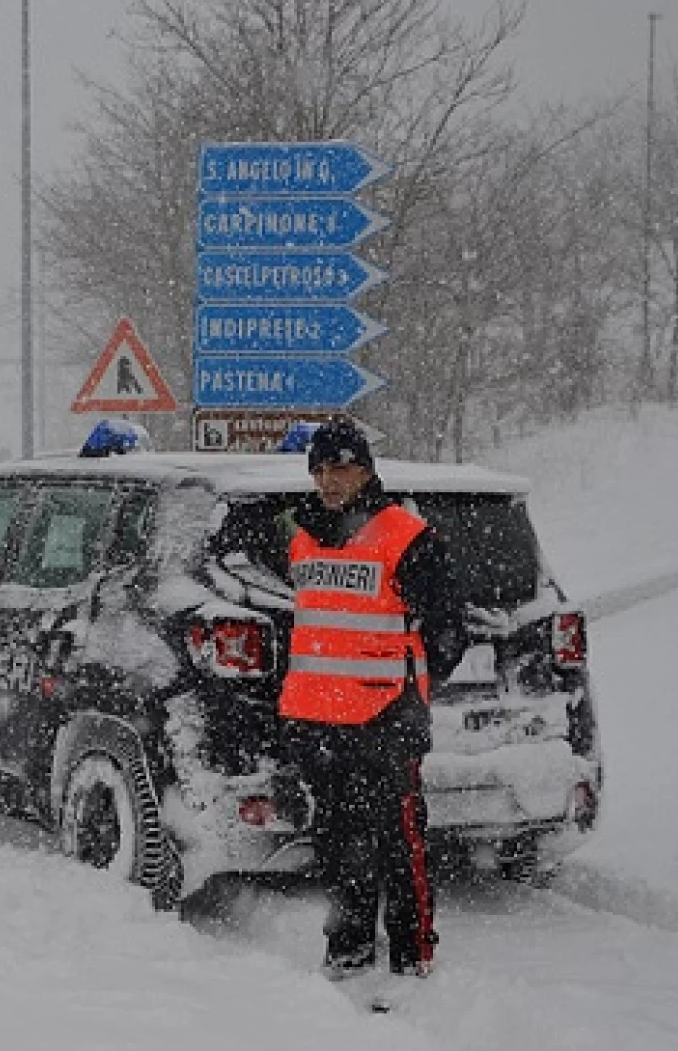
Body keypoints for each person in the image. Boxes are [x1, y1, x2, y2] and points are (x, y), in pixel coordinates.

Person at [274, 417, 466, 981]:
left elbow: (448, 629)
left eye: (340, 467)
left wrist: (410, 689)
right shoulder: (303, 537)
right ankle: (349, 950)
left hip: (386, 719)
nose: (329, 480)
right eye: (320, 469)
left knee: (400, 844)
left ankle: (412, 957)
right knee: (337, 845)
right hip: (317, 718)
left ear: (365, 471)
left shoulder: (406, 536)